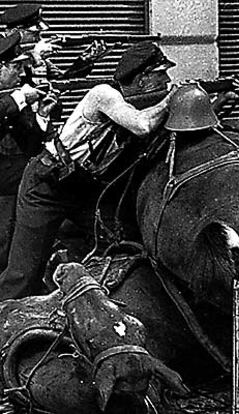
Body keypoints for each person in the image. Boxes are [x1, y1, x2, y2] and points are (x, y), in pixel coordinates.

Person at [0, 41, 177, 300]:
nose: (167, 80)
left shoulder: (140, 104)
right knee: (23, 275)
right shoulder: (104, 94)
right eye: (161, 74)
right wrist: (173, 99)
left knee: (121, 244)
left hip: (82, 187)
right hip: (46, 185)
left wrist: (221, 99)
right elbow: (142, 126)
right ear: (141, 79)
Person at [0, 32, 58, 273]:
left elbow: (30, 144)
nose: (20, 73)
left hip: (16, 188)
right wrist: (20, 98)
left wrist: (42, 115)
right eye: (15, 67)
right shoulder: (14, 98)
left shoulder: (14, 96)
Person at [0, 3, 107, 83]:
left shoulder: (31, 52)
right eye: (35, 34)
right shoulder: (3, 51)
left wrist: (85, 61)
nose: (39, 39)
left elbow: (61, 80)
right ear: (15, 32)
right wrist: (35, 57)